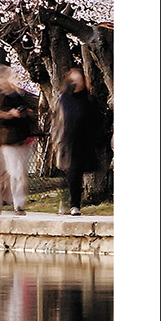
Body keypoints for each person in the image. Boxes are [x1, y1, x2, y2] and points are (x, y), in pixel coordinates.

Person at [0, 64, 40, 213]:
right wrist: (10, 114)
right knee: (12, 172)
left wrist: (26, 113)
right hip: (8, 140)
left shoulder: (20, 95)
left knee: (20, 172)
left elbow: (33, 109)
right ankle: (6, 201)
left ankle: (18, 202)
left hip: (22, 138)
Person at [52, 67, 105, 215]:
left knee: (76, 172)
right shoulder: (63, 98)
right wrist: (56, 139)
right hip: (68, 141)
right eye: (73, 80)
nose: (76, 82)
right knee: (71, 172)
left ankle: (73, 203)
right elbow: (57, 120)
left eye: (79, 79)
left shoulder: (88, 98)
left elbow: (96, 119)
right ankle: (72, 204)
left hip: (84, 141)